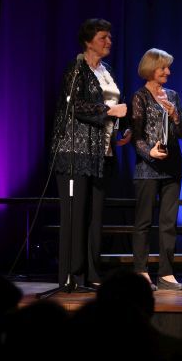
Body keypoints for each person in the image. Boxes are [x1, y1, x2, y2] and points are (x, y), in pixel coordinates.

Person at [49, 18, 129, 288]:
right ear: (88, 41)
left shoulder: (107, 71)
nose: (109, 41)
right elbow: (74, 105)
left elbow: (116, 105)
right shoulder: (76, 68)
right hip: (75, 151)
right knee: (75, 215)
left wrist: (124, 128)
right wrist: (108, 111)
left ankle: (92, 274)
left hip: (101, 152)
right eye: (103, 37)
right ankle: (72, 275)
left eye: (110, 37)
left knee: (95, 216)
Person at [130, 48, 182, 291]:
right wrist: (149, 152)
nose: (168, 71)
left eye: (168, 67)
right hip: (148, 167)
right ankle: (141, 271)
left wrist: (175, 115)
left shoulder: (173, 95)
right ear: (151, 68)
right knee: (144, 222)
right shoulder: (140, 97)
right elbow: (136, 136)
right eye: (163, 67)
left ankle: (166, 273)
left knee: (168, 223)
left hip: (172, 167)